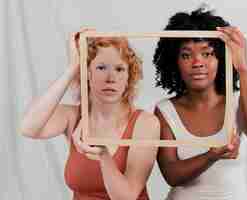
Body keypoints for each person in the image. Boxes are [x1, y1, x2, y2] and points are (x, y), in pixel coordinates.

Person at [20, 29, 160, 200]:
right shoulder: (73, 116)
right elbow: (28, 128)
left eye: (119, 69)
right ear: (87, 73)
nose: (111, 78)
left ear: (128, 77)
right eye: (101, 67)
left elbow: (127, 197)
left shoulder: (146, 123)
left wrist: (103, 156)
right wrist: (73, 68)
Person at [153, 6, 247, 200]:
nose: (197, 62)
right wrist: (212, 155)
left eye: (207, 53)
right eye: (186, 55)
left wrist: (242, 66)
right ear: (174, 62)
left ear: (221, 58)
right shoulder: (165, 110)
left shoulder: (238, 101)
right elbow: (172, 175)